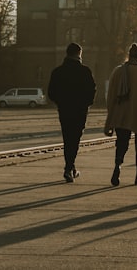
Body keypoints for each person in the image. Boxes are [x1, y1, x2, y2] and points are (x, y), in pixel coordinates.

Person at [104, 43, 137, 186]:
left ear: (129, 55)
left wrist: (111, 115)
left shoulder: (118, 72)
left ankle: (117, 167)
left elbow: (111, 96)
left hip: (121, 114)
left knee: (121, 143)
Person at [47, 42, 96, 183]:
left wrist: (60, 102)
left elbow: (51, 92)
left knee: (67, 137)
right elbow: (92, 89)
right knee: (75, 138)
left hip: (64, 109)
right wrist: (87, 103)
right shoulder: (85, 71)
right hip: (80, 110)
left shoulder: (57, 72)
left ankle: (71, 167)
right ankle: (69, 168)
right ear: (79, 53)